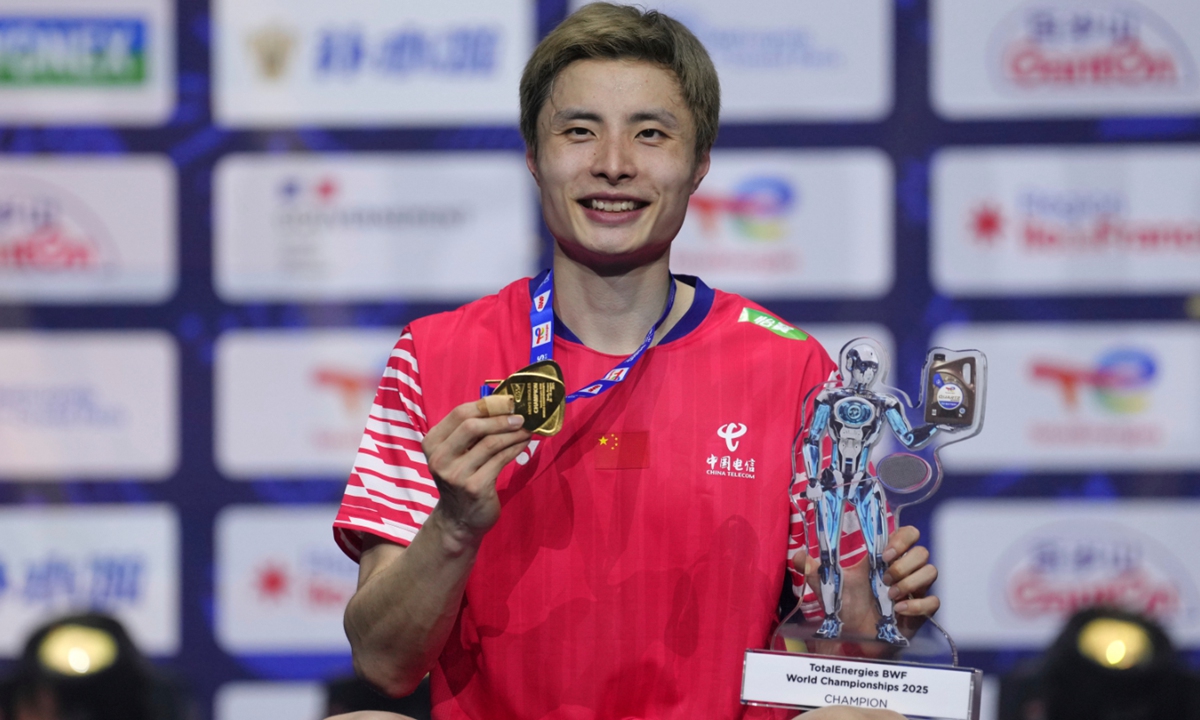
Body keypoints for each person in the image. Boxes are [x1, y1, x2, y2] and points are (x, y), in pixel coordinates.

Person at [332, 4, 939, 718]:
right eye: (579, 131)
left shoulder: (793, 371)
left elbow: (847, 664)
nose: (613, 165)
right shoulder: (436, 356)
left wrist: (877, 612)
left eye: (650, 134)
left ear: (698, 164)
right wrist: (456, 525)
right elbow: (382, 663)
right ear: (534, 156)